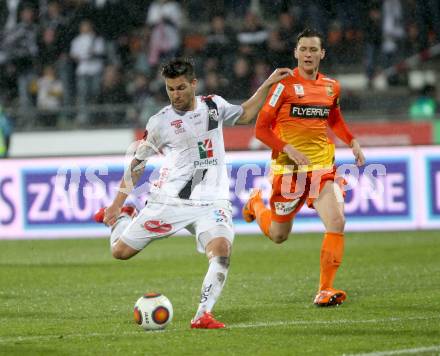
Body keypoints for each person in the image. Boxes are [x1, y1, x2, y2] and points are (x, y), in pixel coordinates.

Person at [94, 58, 291, 328]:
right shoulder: (160, 122)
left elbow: (245, 114)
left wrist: (267, 84)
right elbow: (138, 164)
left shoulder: (213, 106)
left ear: (194, 84)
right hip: (170, 201)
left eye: (181, 88)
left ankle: (202, 314)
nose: (175, 94)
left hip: (212, 201)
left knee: (221, 250)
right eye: (170, 89)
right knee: (120, 252)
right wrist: (117, 205)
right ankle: (124, 219)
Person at [242, 28, 366, 307]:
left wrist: (352, 141)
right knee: (278, 235)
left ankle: (325, 289)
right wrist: (287, 148)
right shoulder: (283, 87)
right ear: (295, 53)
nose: (308, 54)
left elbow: (334, 118)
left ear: (322, 53)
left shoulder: (332, 86)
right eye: (303, 49)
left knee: (337, 221)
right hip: (288, 170)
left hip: (322, 168)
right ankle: (255, 205)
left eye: (313, 50)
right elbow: (260, 130)